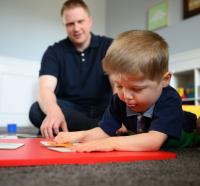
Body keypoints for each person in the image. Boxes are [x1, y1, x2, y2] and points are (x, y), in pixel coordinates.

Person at [54, 30, 200, 152]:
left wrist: (111, 143)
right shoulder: (119, 99)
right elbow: (104, 131)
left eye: (137, 89)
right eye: (119, 86)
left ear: (164, 80)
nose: (126, 95)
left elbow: (153, 141)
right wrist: (78, 136)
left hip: (190, 130)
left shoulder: (169, 98)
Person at [29, 0, 113, 138]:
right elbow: (45, 88)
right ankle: (99, 131)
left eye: (80, 21)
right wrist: (54, 111)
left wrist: (119, 114)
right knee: (36, 110)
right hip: (71, 111)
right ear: (64, 25)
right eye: (70, 24)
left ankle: (91, 130)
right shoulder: (53, 51)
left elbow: (118, 84)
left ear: (90, 20)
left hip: (104, 111)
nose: (76, 28)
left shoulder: (109, 45)